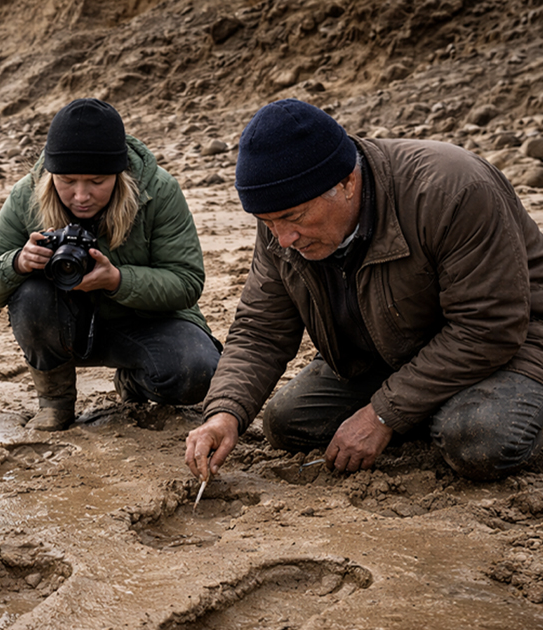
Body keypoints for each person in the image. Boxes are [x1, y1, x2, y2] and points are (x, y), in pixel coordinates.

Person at [186, 98, 543, 483]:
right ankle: (433, 409)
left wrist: (383, 414)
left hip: (513, 345)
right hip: (389, 352)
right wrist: (223, 414)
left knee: (476, 441)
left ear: (347, 182)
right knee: (289, 423)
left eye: (294, 218)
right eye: (267, 222)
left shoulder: (452, 190)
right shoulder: (280, 212)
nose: (283, 239)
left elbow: (489, 327)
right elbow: (260, 329)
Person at [0, 98, 221, 431]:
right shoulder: (26, 194)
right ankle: (55, 401)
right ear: (50, 173)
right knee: (30, 293)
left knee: (200, 371)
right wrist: (16, 262)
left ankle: (134, 382)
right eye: (68, 181)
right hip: (63, 328)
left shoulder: (158, 191)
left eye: (97, 181)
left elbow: (187, 282)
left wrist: (117, 280)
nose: (81, 195)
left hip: (143, 322)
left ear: (119, 173)